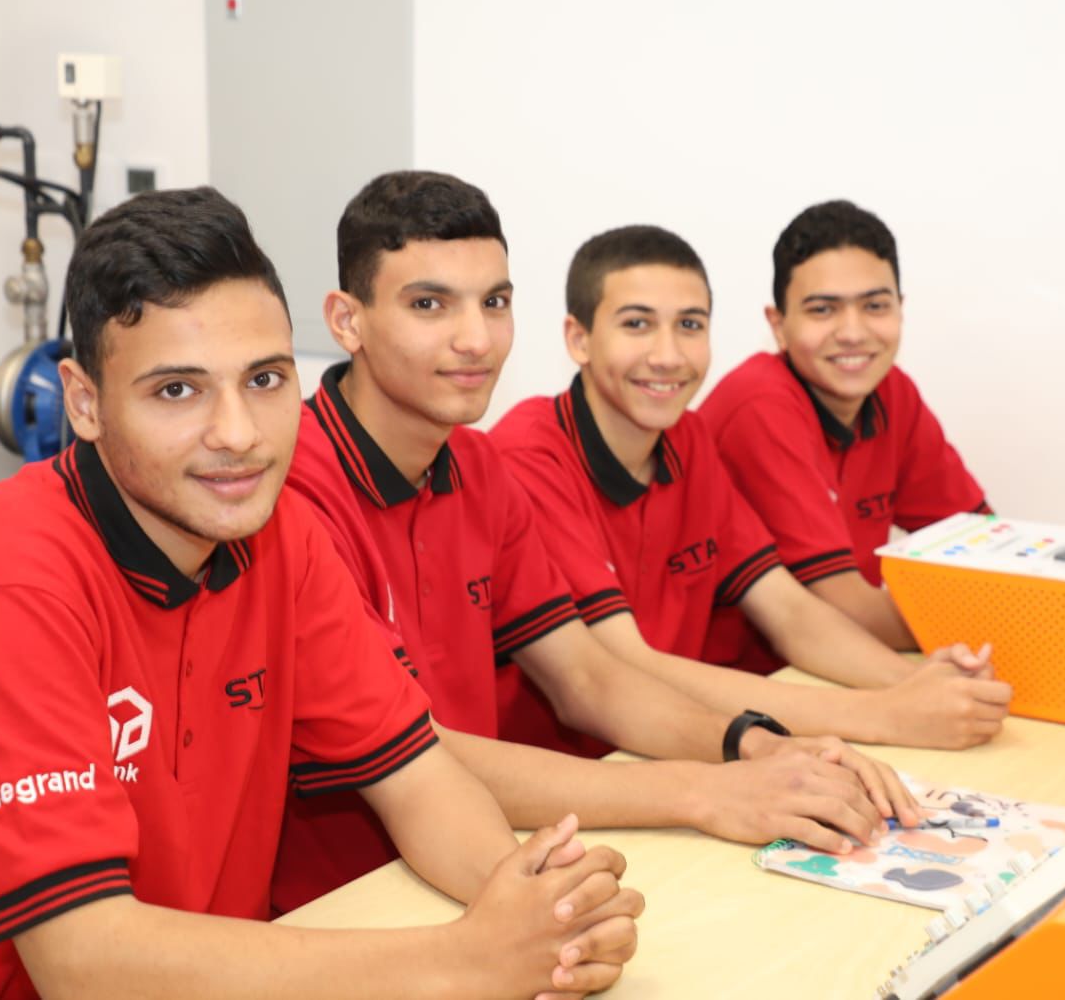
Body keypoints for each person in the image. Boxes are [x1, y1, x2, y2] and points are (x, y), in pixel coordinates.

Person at [0, 187, 639, 999]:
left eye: (265, 379)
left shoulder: (283, 539)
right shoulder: (2, 585)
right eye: (177, 391)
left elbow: (417, 777)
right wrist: (467, 959)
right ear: (84, 403)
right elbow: (85, 962)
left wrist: (539, 918)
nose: (240, 434)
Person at [274, 171, 919, 912]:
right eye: (429, 305)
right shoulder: (292, 491)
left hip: (497, 849)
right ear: (347, 321)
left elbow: (587, 678)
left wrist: (757, 743)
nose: (475, 338)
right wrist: (706, 790)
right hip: (339, 902)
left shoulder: (478, 467)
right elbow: (414, 755)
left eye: (495, 303)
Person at [490, 224, 1013, 754]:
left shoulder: (687, 438)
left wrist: (917, 686)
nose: (667, 355)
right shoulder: (529, 455)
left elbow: (788, 610)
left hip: (678, 746)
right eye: (637, 324)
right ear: (578, 339)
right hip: (568, 771)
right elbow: (626, 665)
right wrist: (884, 714)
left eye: (689, 325)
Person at [700, 200, 990, 653]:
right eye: (823, 310)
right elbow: (842, 609)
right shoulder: (759, 405)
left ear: (900, 309)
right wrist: (994, 625)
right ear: (778, 325)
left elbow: (986, 546)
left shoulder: (893, 392)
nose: (853, 332)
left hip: (837, 667)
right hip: (746, 678)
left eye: (875, 305)